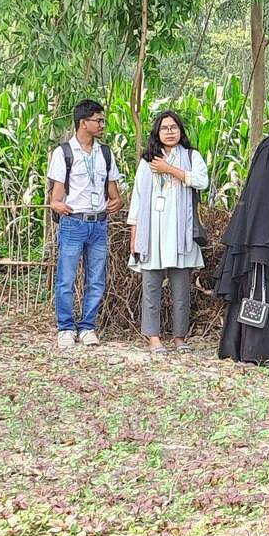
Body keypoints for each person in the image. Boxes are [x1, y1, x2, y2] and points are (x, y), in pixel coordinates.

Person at [214, 131, 269, 365]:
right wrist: (260, 250)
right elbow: (259, 220)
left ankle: (258, 350)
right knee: (257, 297)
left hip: (265, 247)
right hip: (258, 249)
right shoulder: (263, 183)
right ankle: (255, 353)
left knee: (265, 297)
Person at [128, 109, 207, 354]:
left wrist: (169, 169)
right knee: (151, 287)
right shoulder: (147, 161)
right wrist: (134, 236)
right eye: (164, 128)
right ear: (157, 133)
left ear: (180, 131)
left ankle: (179, 337)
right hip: (152, 232)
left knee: (181, 289)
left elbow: (202, 181)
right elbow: (137, 200)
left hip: (181, 233)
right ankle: (153, 337)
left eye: (174, 127)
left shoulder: (192, 156)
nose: (170, 132)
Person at [48, 100, 125, 350]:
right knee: (66, 278)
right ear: (83, 123)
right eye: (98, 120)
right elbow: (55, 196)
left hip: (99, 223)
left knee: (96, 279)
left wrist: (117, 202)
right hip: (73, 222)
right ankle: (65, 328)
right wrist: (57, 205)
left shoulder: (105, 153)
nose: (102, 125)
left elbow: (113, 192)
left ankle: (87, 327)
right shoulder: (63, 153)